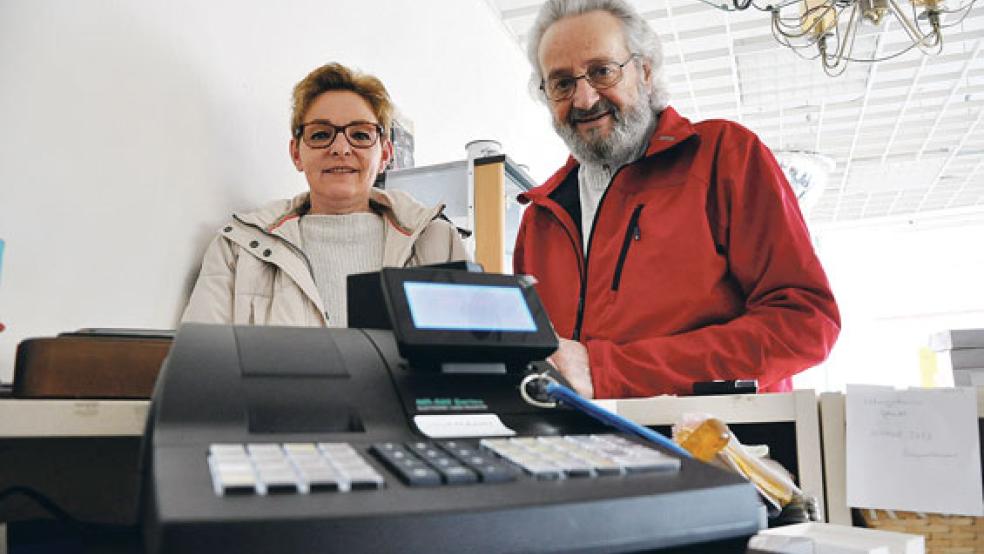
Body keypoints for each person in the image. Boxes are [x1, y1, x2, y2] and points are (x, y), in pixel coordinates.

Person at [514, 0, 841, 399]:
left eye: (602, 72)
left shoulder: (725, 156)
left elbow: (804, 324)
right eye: (562, 83)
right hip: (581, 454)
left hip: (720, 451)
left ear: (645, 71)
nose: (584, 100)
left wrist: (607, 371)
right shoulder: (541, 217)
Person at [183, 63, 468, 327]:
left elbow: (476, 364)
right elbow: (198, 367)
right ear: (296, 153)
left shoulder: (439, 242)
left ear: (385, 155)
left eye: (360, 135)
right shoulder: (237, 248)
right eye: (320, 135)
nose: (341, 148)